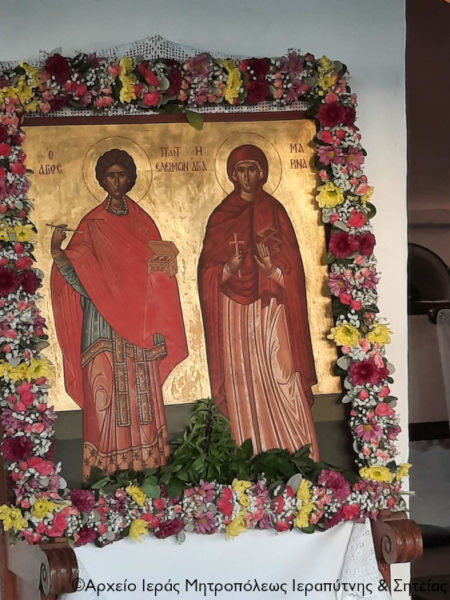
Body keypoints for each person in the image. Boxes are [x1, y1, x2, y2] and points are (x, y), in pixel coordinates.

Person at [50, 149, 188, 480]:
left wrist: (161, 271)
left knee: (142, 399)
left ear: (131, 179)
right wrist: (57, 252)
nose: (116, 181)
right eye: (110, 175)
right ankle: (104, 477)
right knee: (103, 395)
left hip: (140, 326)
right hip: (102, 327)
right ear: (101, 180)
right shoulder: (92, 225)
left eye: (122, 174)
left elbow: (158, 275)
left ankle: (149, 472)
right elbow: (79, 277)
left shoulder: (143, 222)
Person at [198, 144, 319, 459]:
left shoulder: (276, 211)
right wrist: (227, 269)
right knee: (243, 378)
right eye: (240, 170)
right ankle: (251, 457)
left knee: (282, 371)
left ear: (262, 172)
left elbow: (295, 271)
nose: (246, 176)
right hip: (234, 312)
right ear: (232, 175)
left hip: (272, 306)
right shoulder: (221, 216)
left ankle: (299, 453)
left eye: (252, 169)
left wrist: (272, 271)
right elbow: (207, 271)